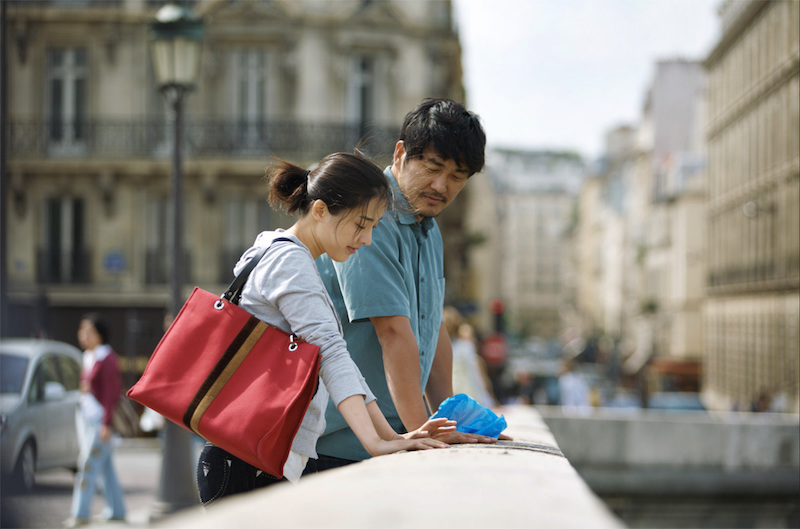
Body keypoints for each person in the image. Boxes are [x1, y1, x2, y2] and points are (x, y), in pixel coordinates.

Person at [195, 152, 455, 505]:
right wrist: (377, 442)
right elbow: (332, 357)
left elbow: (342, 362)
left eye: (374, 227)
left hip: (247, 451)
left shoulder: (276, 247)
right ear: (319, 211)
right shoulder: (291, 264)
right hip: (244, 460)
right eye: (361, 225)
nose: (366, 240)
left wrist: (392, 437)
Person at [309, 98, 505, 473]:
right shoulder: (370, 215)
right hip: (338, 443)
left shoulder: (427, 225)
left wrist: (449, 424)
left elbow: (433, 327)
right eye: (433, 167)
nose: (441, 186)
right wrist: (422, 434)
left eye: (457, 177)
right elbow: (394, 333)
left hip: (381, 442)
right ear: (401, 153)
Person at [65, 313, 126, 528]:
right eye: (82, 331)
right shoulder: (89, 356)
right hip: (87, 419)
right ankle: (117, 510)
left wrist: (106, 424)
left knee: (87, 466)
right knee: (106, 469)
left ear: (100, 334)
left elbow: (111, 394)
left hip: (100, 422)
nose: (83, 335)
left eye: (88, 331)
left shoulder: (106, 358)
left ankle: (80, 514)